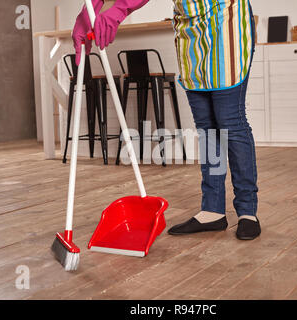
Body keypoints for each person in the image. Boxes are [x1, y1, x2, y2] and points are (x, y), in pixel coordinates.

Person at [73, 0, 261, 240]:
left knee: (230, 122)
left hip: (226, 24)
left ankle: (247, 211)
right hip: (191, 33)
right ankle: (212, 209)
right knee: (206, 128)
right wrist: (88, 12)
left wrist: (119, 9)